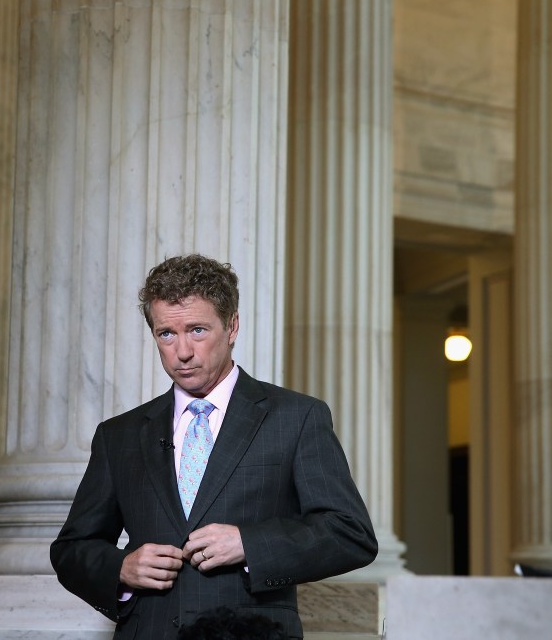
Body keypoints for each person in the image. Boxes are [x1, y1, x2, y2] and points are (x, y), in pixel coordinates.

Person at [50, 254, 377, 639]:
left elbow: (350, 533)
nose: (182, 351)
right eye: (166, 334)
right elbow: (71, 549)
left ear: (232, 326)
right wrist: (120, 568)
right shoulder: (119, 435)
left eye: (198, 330)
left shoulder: (296, 417)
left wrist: (249, 544)